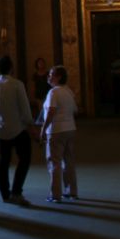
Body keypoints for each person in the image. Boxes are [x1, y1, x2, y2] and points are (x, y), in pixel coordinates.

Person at [0, 55, 36, 207]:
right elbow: (24, 107)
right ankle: (16, 191)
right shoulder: (17, 84)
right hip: (18, 128)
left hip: (1, 129)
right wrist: (30, 125)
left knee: (4, 161)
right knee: (25, 159)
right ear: (11, 68)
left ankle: (5, 193)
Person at [39, 65, 79, 203]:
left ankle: (55, 194)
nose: (49, 77)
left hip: (56, 130)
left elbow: (51, 111)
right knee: (69, 161)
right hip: (70, 129)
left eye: (51, 75)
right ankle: (71, 191)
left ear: (59, 77)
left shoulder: (53, 93)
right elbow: (75, 110)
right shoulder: (68, 91)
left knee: (54, 163)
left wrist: (43, 129)